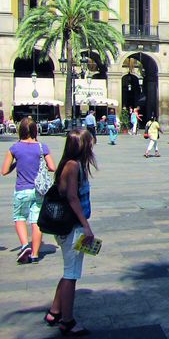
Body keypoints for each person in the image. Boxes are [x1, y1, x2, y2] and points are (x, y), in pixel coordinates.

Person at [44, 128, 96, 336]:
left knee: (69, 270)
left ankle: (55, 311)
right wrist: (86, 226)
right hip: (73, 226)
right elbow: (72, 198)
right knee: (71, 275)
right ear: (82, 146)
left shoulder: (70, 164)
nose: (92, 145)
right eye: (89, 142)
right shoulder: (73, 166)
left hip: (69, 226)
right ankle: (67, 320)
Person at [1, 117, 56, 264]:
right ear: (35, 130)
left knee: (19, 218)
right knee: (36, 222)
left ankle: (25, 245)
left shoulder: (14, 148)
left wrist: (16, 164)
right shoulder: (42, 147)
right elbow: (52, 167)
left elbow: (4, 171)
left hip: (22, 190)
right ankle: (35, 254)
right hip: (38, 191)